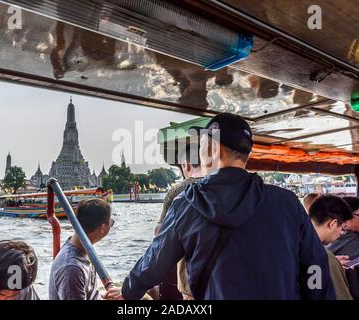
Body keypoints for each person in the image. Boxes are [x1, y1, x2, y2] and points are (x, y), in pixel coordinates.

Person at [105, 112, 335, 300]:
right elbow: (315, 267)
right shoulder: (287, 202)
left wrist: (127, 292)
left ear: (213, 149)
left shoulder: (185, 204)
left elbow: (155, 262)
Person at [155, 141, 203, 300]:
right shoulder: (221, 187)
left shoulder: (176, 191)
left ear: (186, 165)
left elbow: (159, 236)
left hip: (190, 279)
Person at [49, 198, 113, 300]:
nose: (111, 225)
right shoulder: (72, 268)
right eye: (111, 222)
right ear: (102, 228)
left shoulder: (84, 250)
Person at [308, 195, 353, 300]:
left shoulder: (292, 243)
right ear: (333, 224)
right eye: (342, 228)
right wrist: (331, 263)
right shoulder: (324, 256)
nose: (341, 233)